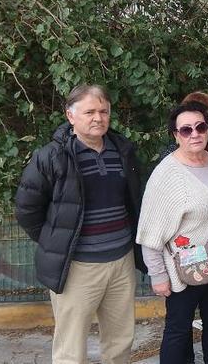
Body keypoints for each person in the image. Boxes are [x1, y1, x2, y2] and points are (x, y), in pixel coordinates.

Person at [14, 84, 146, 364]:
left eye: (103, 111)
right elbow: (27, 209)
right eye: (89, 111)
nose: (98, 117)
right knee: (71, 351)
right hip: (78, 268)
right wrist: (58, 241)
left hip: (121, 263)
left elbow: (134, 200)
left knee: (120, 341)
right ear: (70, 116)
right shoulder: (51, 156)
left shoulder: (122, 151)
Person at [137, 101, 208, 364]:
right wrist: (158, 276)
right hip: (183, 266)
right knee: (178, 330)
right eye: (186, 130)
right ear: (175, 135)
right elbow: (150, 234)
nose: (194, 133)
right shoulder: (167, 174)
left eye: (200, 127)